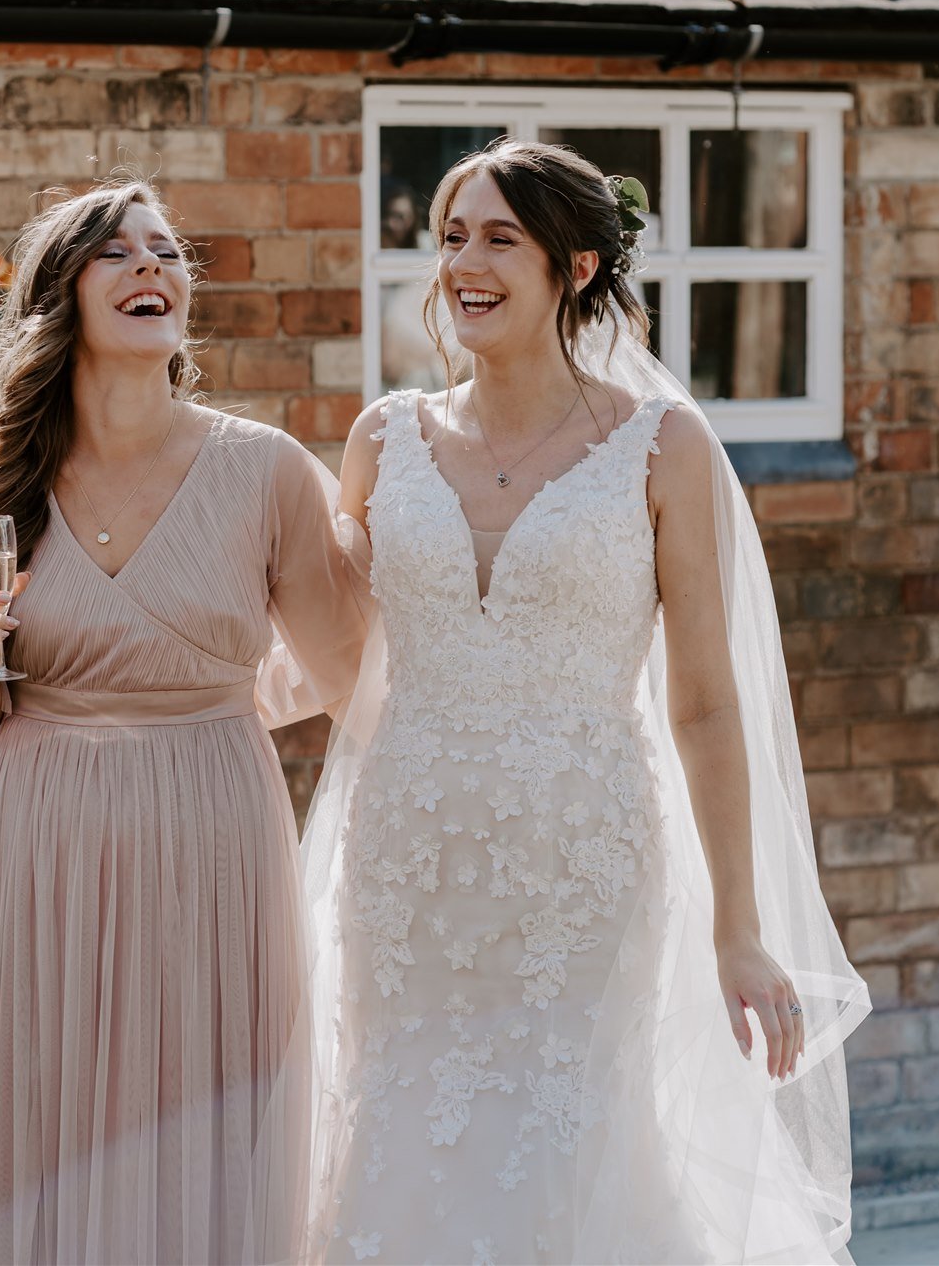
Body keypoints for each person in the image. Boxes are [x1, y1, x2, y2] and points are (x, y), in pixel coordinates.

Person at [301, 140, 867, 1263]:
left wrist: (738, 929)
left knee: (571, 1145)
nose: (464, 261)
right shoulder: (383, 436)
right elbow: (321, 648)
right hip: (406, 860)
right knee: (400, 1132)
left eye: (498, 238)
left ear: (575, 267)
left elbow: (705, 704)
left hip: (583, 865)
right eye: (452, 235)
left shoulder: (660, 446)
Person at [0, 177, 365, 1264]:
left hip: (215, 836)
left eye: (166, 250)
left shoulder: (267, 471)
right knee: (34, 1136)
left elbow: (351, 675)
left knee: (206, 1135)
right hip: (33, 841)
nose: (153, 266)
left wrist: (220, 696)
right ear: (60, 298)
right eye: (117, 253)